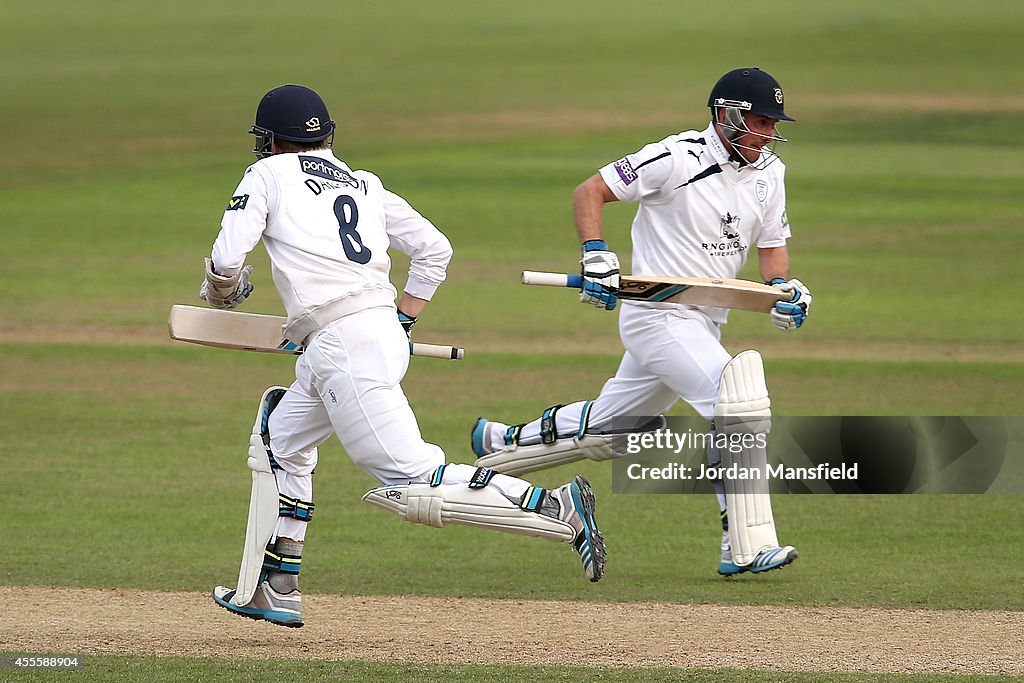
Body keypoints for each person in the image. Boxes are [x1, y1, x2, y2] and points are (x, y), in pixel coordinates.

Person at [204, 85, 606, 628]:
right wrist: (403, 319)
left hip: (344, 344)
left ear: (271, 140)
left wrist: (222, 292)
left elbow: (228, 260)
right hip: (365, 337)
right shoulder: (364, 183)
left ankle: (551, 506)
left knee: (412, 474)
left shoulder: (267, 175)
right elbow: (435, 248)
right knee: (281, 436)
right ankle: (276, 582)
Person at [471, 68, 812, 577]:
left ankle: (500, 444)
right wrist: (595, 254)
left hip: (705, 320)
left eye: (772, 124)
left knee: (617, 429)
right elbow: (590, 191)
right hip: (657, 316)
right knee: (735, 400)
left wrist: (784, 290)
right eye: (759, 121)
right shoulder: (676, 157)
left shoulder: (770, 174)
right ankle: (743, 544)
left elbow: (772, 253)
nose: (766, 134)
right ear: (727, 114)